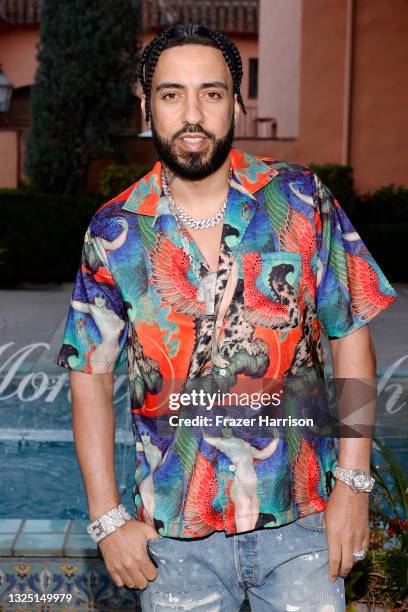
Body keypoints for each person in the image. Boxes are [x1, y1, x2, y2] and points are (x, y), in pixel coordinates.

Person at [56, 23, 398, 612]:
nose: (192, 113)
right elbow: (89, 372)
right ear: (147, 106)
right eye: (171, 94)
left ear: (238, 103)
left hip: (304, 525)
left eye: (211, 93)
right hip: (172, 539)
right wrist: (107, 518)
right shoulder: (115, 232)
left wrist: (354, 485)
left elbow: (351, 336)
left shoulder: (299, 200)